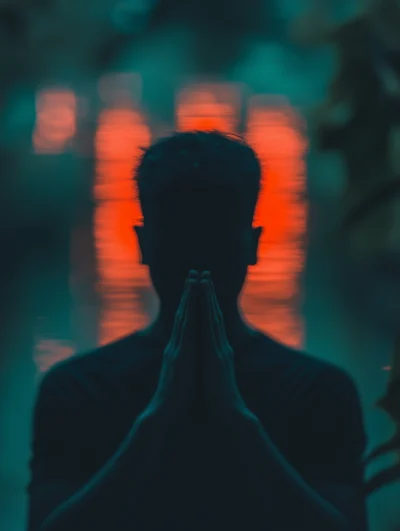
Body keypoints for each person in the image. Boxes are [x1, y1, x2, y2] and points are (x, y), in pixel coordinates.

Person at [27, 131, 368, 531]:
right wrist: (229, 420)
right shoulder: (320, 390)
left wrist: (164, 419)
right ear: (253, 245)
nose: (197, 267)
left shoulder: (74, 388)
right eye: (185, 245)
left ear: (143, 245)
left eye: (210, 245)